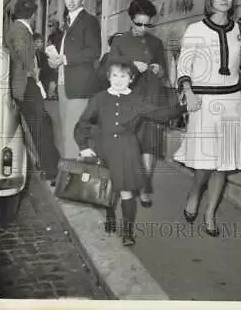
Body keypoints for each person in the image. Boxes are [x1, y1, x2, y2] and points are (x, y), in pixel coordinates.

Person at [74, 57, 186, 246]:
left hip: (127, 150)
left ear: (131, 79)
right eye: (115, 75)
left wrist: (183, 107)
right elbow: (82, 123)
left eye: (123, 76)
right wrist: (83, 147)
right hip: (104, 148)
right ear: (109, 77)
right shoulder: (99, 99)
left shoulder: (136, 99)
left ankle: (127, 231)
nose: (118, 80)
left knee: (126, 192)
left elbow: (160, 113)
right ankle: (110, 216)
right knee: (108, 189)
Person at [174, 0, 241, 237]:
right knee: (206, 162)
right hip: (204, 102)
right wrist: (189, 92)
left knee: (224, 164)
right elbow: (183, 66)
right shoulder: (195, 30)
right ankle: (194, 193)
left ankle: (210, 214)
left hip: (231, 103)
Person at [108, 0, 168, 207]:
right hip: (127, 99)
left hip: (152, 97)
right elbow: (112, 69)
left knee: (149, 146)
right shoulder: (119, 42)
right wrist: (132, 66)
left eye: (147, 24)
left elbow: (163, 69)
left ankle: (144, 188)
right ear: (131, 19)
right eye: (139, 23)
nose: (143, 28)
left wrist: (159, 69)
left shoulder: (156, 43)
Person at [5, 0, 60, 181]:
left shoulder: (18, 28)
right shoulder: (21, 29)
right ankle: (50, 169)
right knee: (41, 127)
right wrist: (32, 70)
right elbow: (21, 51)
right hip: (26, 86)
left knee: (42, 124)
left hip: (25, 85)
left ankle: (48, 163)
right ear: (32, 14)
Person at [48, 0, 101, 158]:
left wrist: (65, 59)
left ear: (83, 0)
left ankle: (73, 177)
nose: (71, 0)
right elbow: (65, 51)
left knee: (73, 133)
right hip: (64, 82)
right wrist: (55, 61)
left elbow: (94, 52)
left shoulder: (89, 21)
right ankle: (69, 173)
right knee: (65, 131)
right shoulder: (67, 22)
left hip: (79, 85)